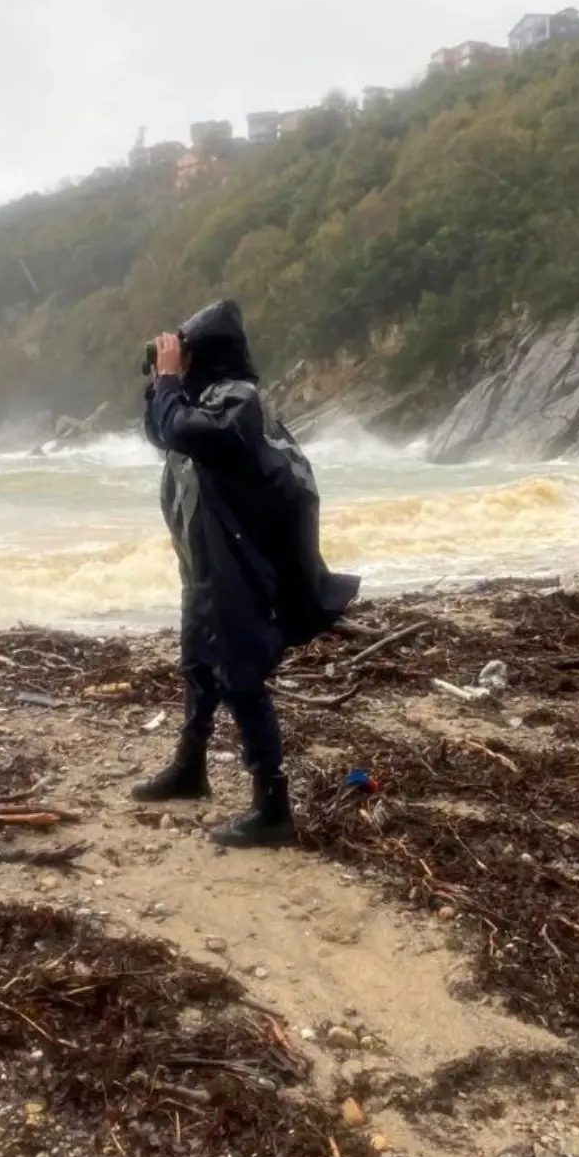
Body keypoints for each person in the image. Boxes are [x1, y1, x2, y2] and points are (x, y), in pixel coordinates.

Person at [135, 300, 359, 848]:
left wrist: (168, 379)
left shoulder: (236, 401)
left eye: (185, 351)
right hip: (205, 565)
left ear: (205, 353)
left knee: (239, 677)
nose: (175, 362)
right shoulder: (202, 400)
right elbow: (163, 430)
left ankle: (272, 804)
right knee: (198, 667)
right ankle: (191, 767)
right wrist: (159, 383)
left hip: (238, 568)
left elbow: (185, 430)